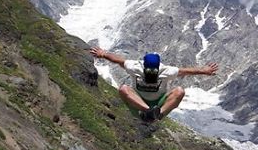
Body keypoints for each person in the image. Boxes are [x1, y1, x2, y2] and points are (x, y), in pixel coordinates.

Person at [89, 47, 218, 122]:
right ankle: (149, 112)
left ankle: (158, 114)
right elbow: (118, 61)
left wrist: (204, 71)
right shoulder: (135, 67)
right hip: (138, 104)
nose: (151, 73)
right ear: (143, 66)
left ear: (158, 68)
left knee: (179, 91)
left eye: (154, 71)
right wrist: (103, 54)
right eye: (149, 70)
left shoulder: (165, 71)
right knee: (123, 89)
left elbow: (185, 71)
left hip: (158, 104)